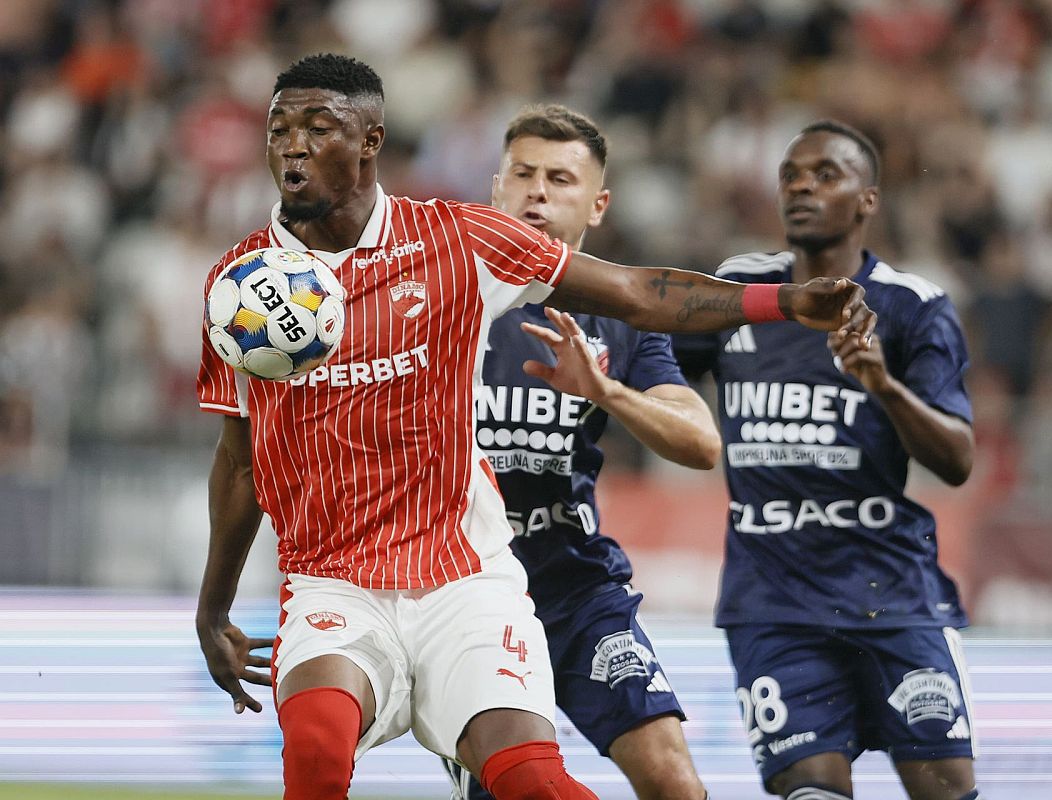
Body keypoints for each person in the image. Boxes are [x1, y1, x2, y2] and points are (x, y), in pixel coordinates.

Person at [194, 54, 873, 800]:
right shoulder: (239, 286)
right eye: (279, 128)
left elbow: (636, 292)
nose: (292, 145)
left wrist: (784, 301)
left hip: (467, 577)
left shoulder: (458, 242)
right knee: (316, 755)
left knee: (535, 781)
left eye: (317, 127)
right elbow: (239, 460)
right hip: (333, 582)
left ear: (370, 141)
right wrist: (213, 608)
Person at [673, 120, 982, 800]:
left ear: (867, 200)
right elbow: (653, 360)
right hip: (772, 601)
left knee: (947, 790)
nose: (801, 187)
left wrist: (883, 385)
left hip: (892, 596)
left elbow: (958, 460)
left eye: (824, 175)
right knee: (812, 792)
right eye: (790, 176)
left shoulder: (912, 306)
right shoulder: (739, 290)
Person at [439, 104, 715, 800]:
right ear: (496, 187)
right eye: (522, 174)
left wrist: (608, 391)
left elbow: (702, 443)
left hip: (575, 588)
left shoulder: (621, 315)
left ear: (597, 205)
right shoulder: (438, 295)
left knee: (674, 781)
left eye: (560, 179)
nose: (537, 192)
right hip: (461, 594)